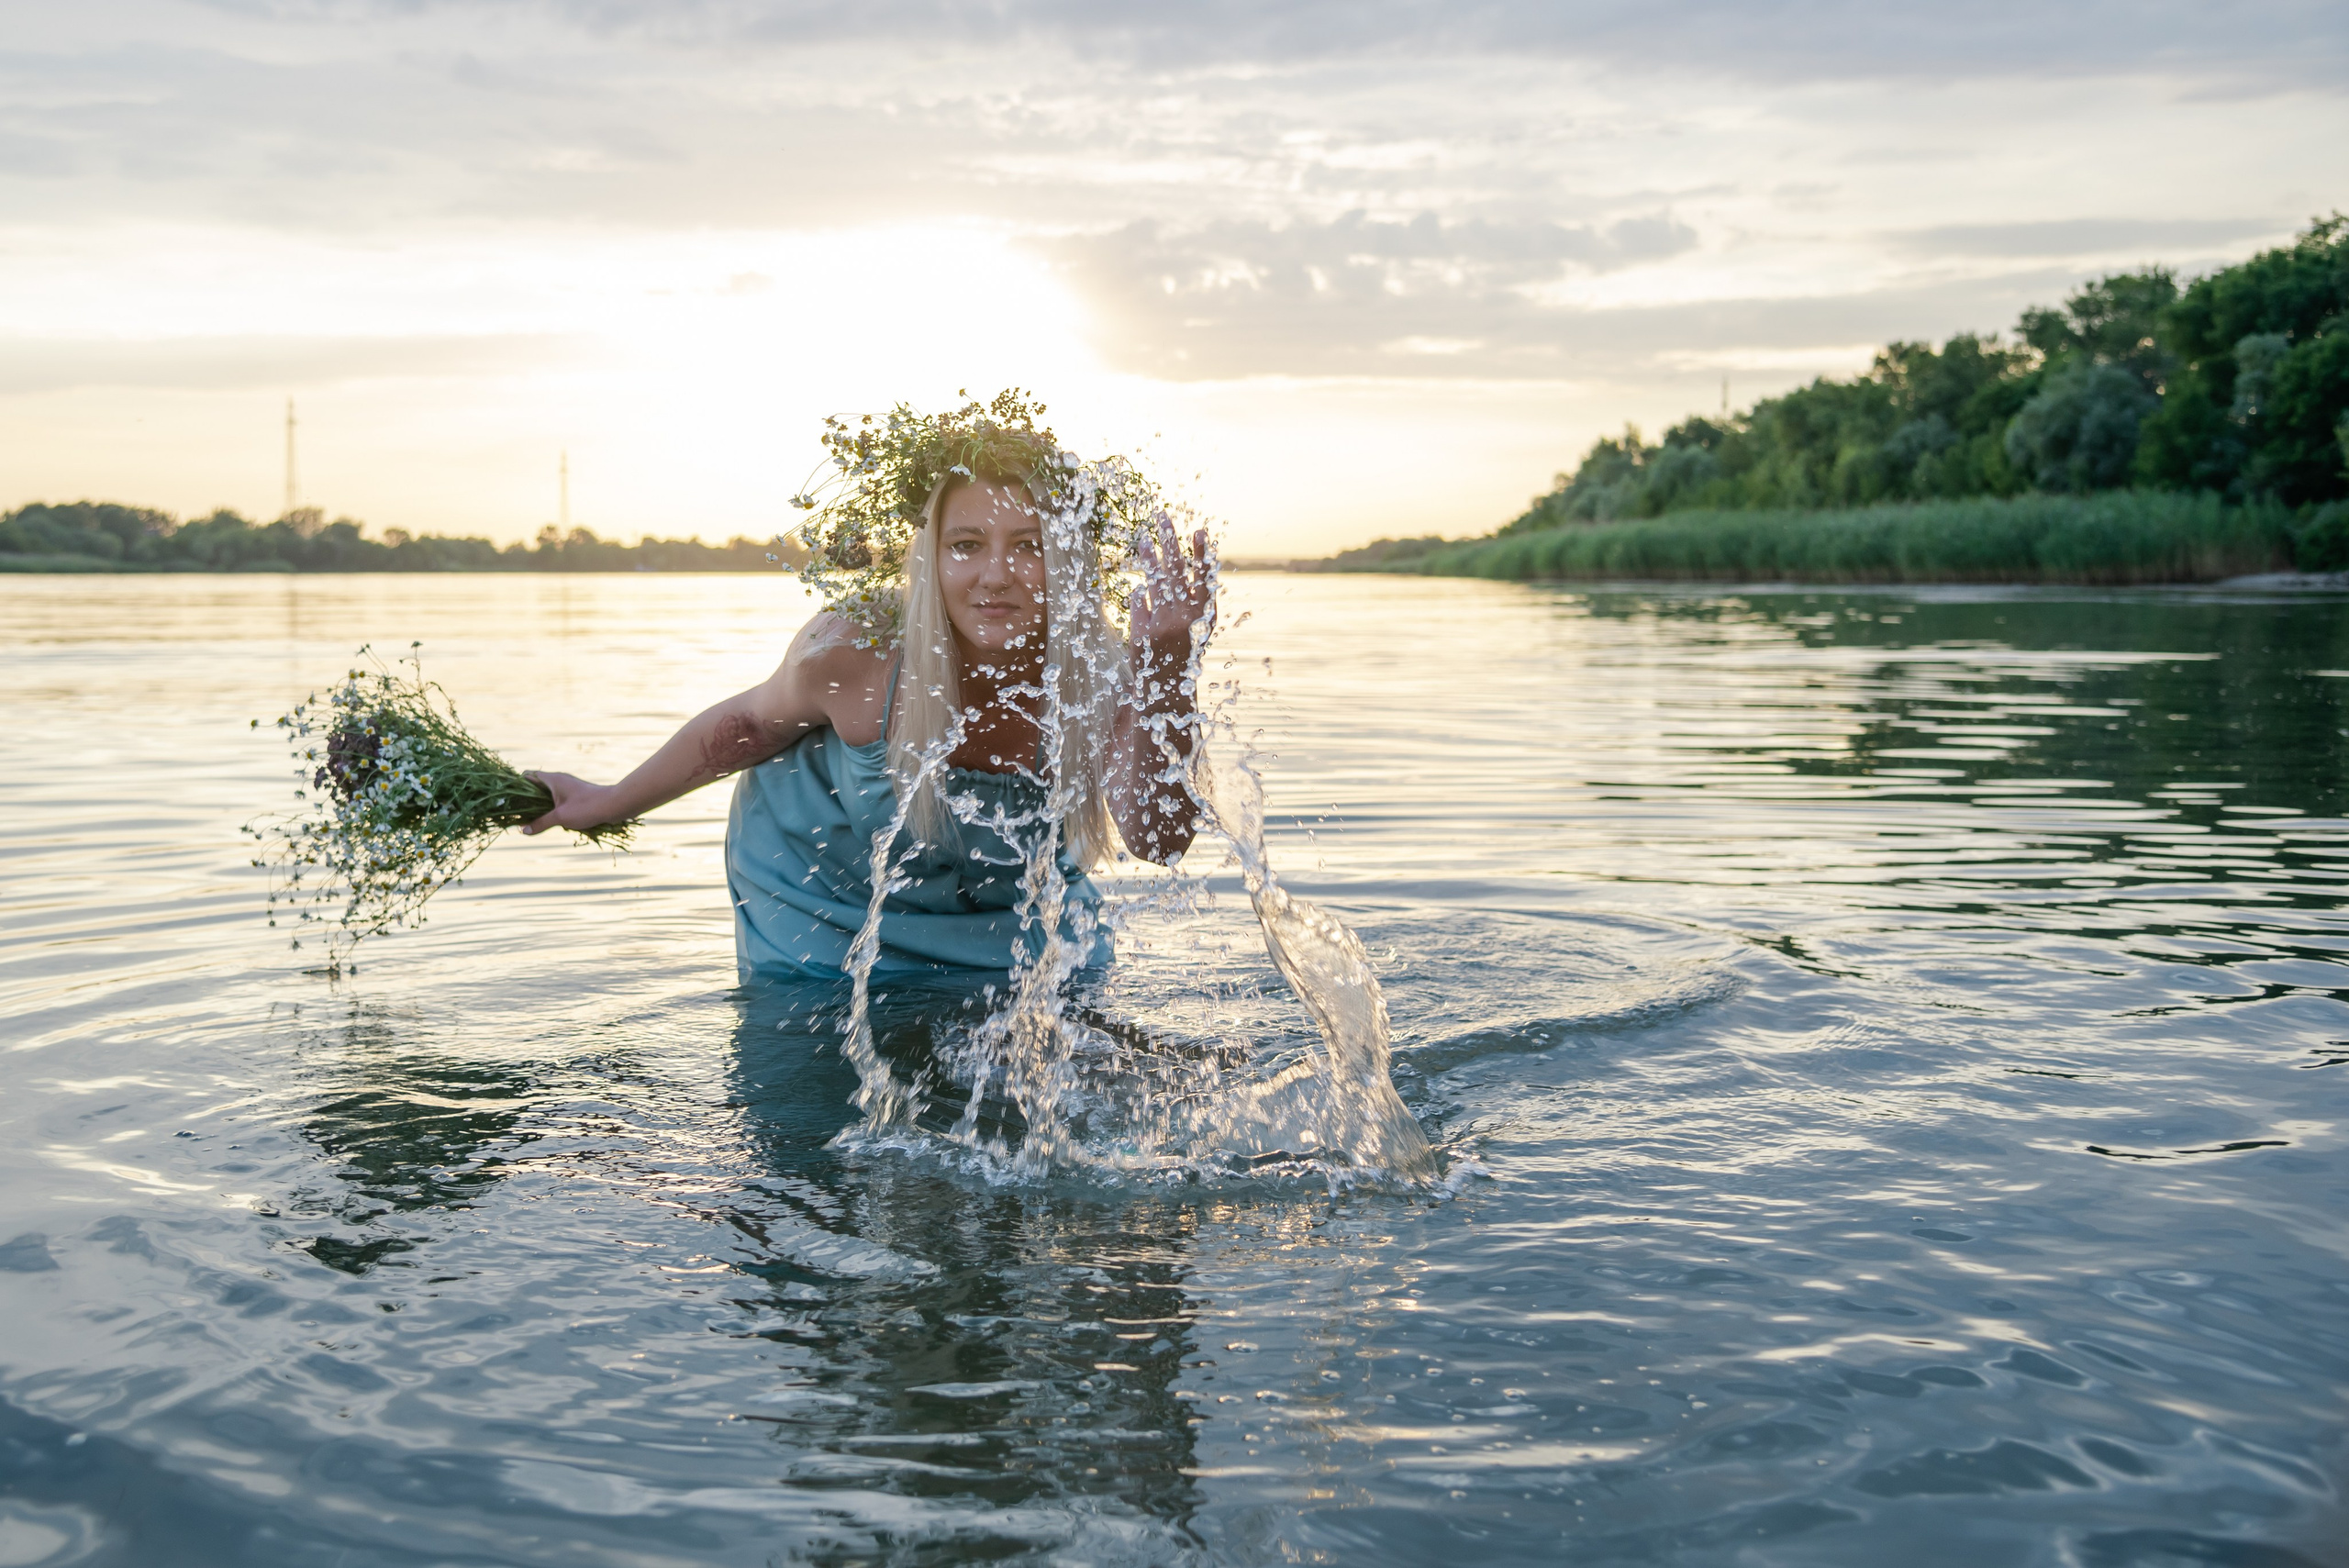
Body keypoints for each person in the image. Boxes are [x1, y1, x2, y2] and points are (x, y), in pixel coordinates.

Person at [520, 397, 1214, 981]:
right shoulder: (860, 651)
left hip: (1004, 912)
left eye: (1029, 545)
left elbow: (1159, 839)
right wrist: (607, 801)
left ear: (1068, 559)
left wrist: (1167, 668)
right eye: (967, 544)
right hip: (825, 899)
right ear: (931, 555)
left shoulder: (1103, 676)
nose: (996, 574)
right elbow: (747, 726)